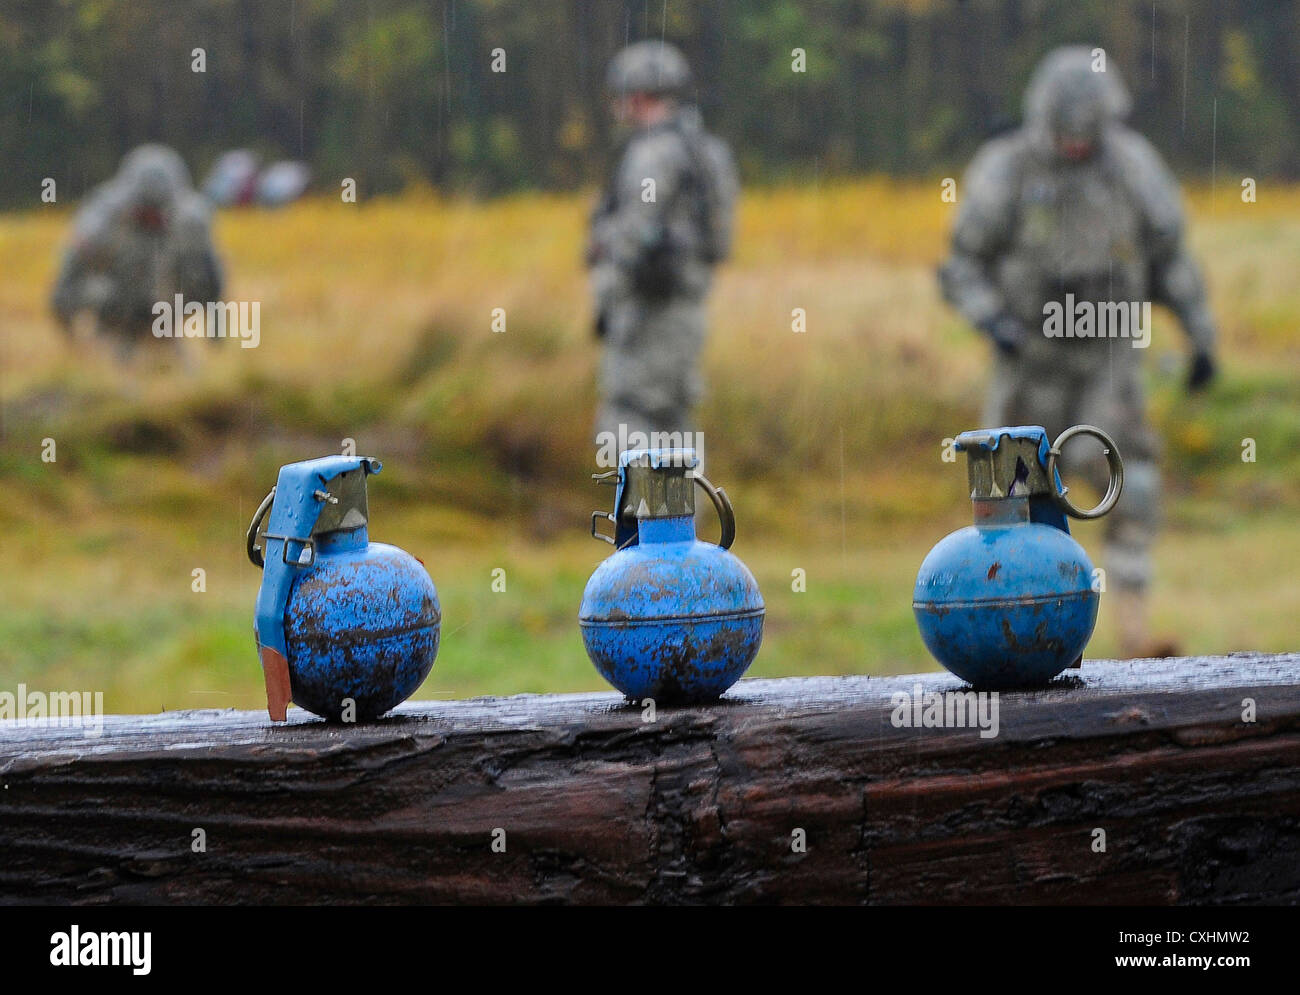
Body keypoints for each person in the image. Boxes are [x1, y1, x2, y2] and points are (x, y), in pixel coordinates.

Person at [938, 46, 1218, 658]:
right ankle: (1013, 630)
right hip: (1029, 357)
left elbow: (1172, 260)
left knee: (1125, 475)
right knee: (1009, 491)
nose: (1074, 145)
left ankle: (1135, 629)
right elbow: (961, 264)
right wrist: (991, 320)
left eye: (1085, 133)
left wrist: (1200, 336)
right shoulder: (1006, 169)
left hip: (1108, 357)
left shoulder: (1133, 167)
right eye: (1064, 133)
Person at [586, 40, 738, 458]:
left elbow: (632, 236)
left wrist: (606, 298)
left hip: (646, 313)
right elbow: (720, 241)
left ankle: (641, 525)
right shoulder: (708, 151)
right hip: (687, 311)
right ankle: (683, 524)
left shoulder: (652, 155)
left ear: (637, 96)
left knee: (626, 424)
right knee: (675, 428)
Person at [52, 144, 223, 357]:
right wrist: (73, 341)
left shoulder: (191, 225)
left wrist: (216, 337)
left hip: (167, 314)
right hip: (115, 313)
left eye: (159, 213)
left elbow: (213, 282)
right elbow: (65, 285)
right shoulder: (101, 223)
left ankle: (161, 342)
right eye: (146, 212)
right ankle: (117, 341)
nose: (152, 220)